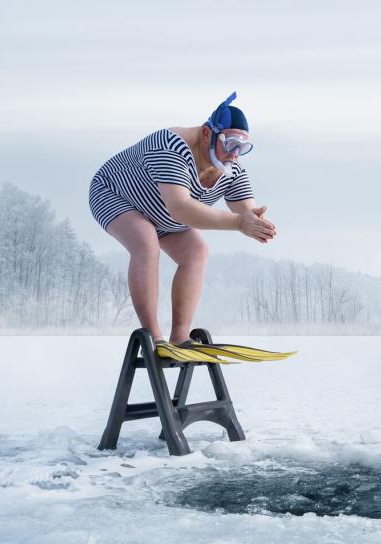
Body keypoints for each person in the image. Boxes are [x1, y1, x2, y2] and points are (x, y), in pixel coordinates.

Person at [89, 92, 278, 361]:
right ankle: (154, 338)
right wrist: (238, 223)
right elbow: (182, 208)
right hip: (115, 194)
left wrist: (258, 224)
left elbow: (248, 212)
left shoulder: (232, 168)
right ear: (206, 134)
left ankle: (180, 337)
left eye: (242, 148)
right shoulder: (171, 145)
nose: (235, 155)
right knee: (145, 243)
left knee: (196, 252)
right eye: (231, 144)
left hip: (163, 214)